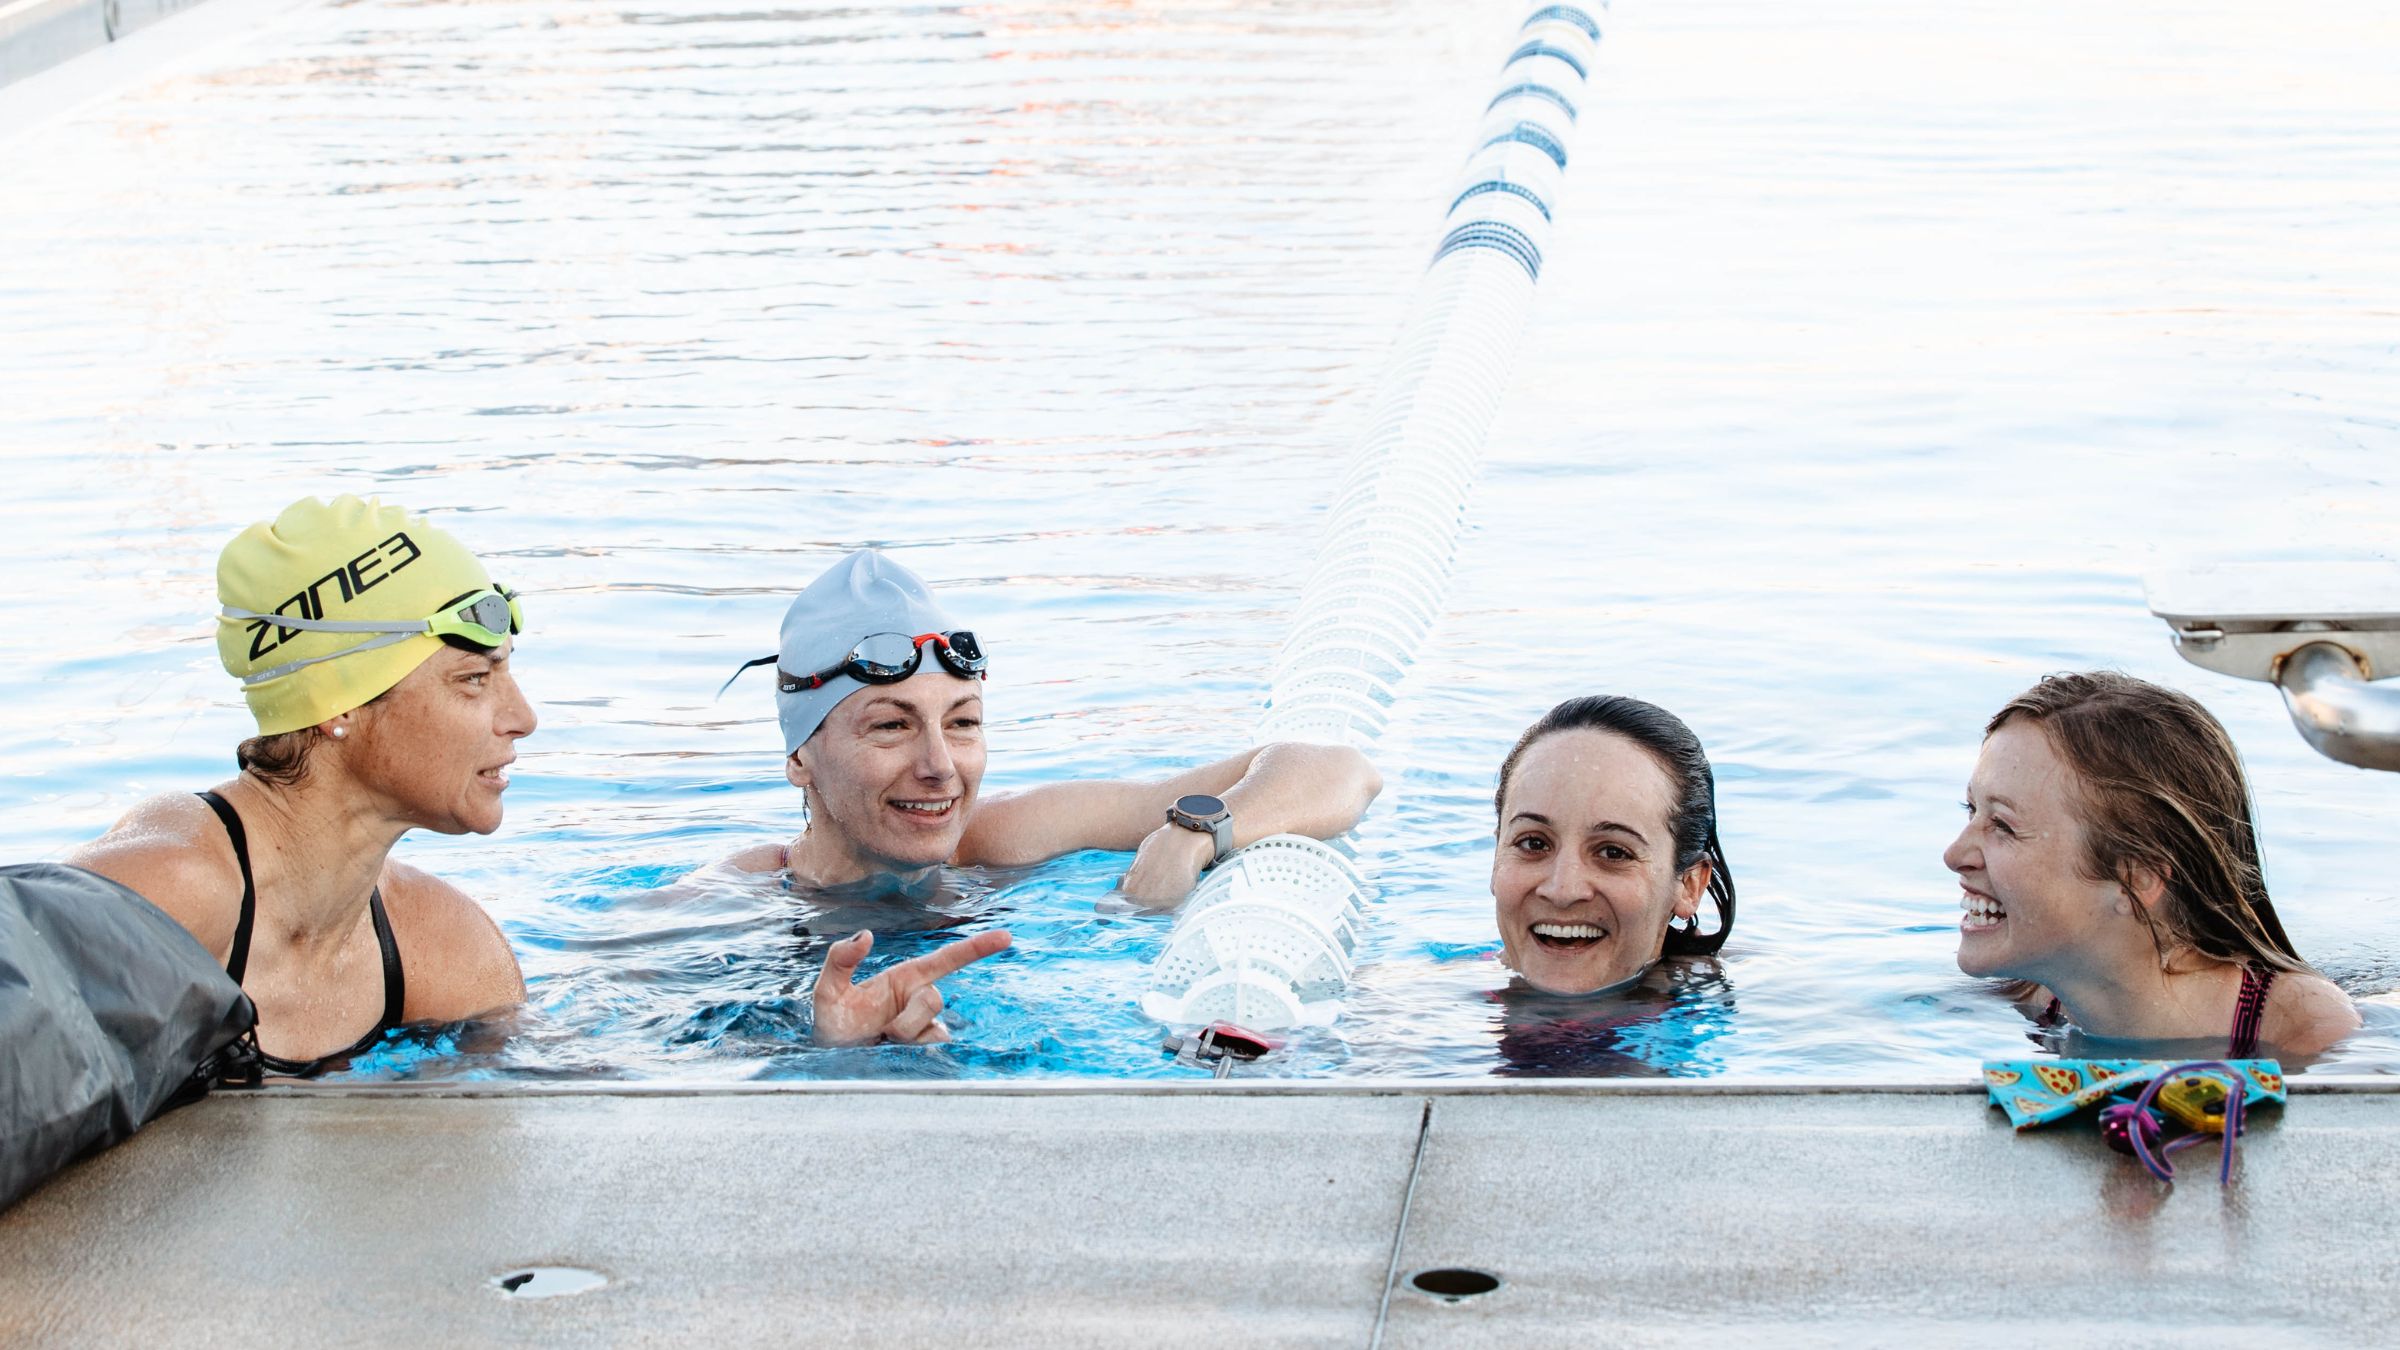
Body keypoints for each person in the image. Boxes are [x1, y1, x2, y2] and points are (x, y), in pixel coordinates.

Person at [710, 548, 1384, 1045]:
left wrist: (1198, 832)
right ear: (801, 756)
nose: (941, 767)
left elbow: (1338, 768)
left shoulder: (1002, 840)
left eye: (963, 722)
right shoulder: (728, 902)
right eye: (891, 726)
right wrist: (823, 1053)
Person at [67, 496, 531, 1075]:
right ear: (337, 702)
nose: (523, 717)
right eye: (473, 678)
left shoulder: (444, 946)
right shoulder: (161, 894)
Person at [1946, 670, 2359, 1057]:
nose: (1954, 856)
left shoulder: (2302, 1029)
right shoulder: (2039, 996)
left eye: (2002, 825)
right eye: (1971, 809)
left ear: (2135, 877)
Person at [1489, 694, 1736, 996]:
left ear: (1689, 885)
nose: (1563, 891)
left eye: (1613, 853)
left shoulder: (1769, 1008)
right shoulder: (1423, 1013)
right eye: (1534, 843)